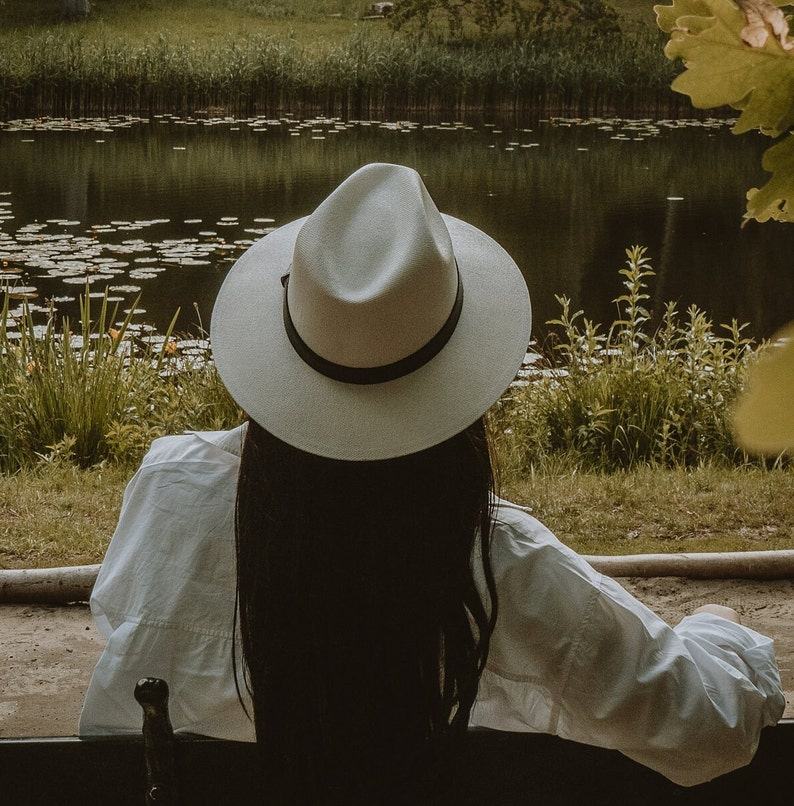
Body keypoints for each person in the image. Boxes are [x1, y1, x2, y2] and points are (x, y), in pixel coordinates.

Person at [79, 163, 785, 800]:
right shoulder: (501, 564)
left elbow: (121, 617)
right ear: (460, 381)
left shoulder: (171, 484)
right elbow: (712, 730)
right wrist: (720, 632)